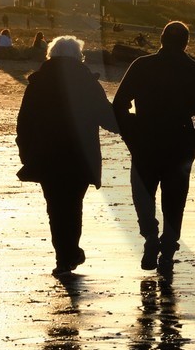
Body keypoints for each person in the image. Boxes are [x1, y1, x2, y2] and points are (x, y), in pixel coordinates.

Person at [114, 21, 195, 276]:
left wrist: (131, 134)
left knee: (143, 196)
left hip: (145, 141)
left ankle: (150, 239)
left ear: (161, 39)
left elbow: (119, 105)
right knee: (174, 201)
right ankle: (167, 251)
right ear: (186, 43)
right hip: (180, 144)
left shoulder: (142, 65)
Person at [15, 35, 118, 275]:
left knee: (55, 208)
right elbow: (106, 117)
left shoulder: (38, 83)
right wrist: (133, 125)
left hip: (46, 156)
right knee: (73, 205)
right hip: (79, 157)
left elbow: (24, 123)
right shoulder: (86, 82)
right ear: (77, 57)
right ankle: (68, 254)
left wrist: (26, 154)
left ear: (51, 55)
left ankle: (65, 256)